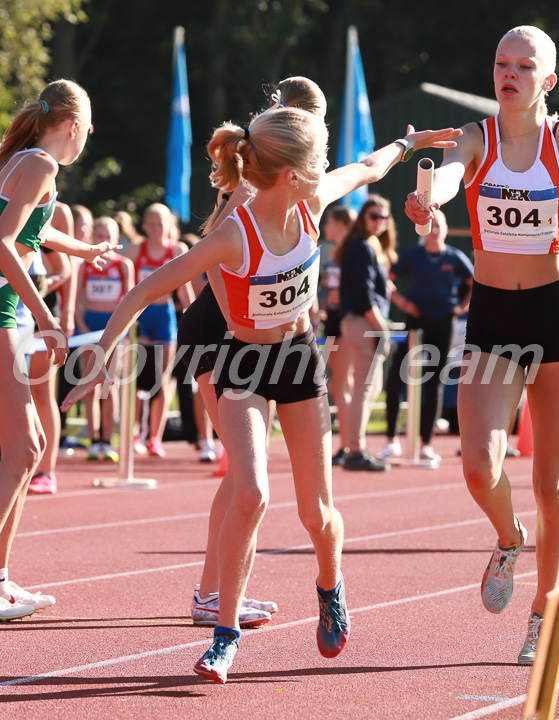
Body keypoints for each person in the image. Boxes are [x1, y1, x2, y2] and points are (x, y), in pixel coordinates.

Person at [62, 104, 459, 682]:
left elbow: (369, 168)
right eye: (319, 156)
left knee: (317, 513)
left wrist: (409, 143)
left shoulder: (313, 200)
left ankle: (330, 584)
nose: (327, 165)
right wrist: (101, 355)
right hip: (241, 363)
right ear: (292, 171)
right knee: (250, 492)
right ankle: (225, 633)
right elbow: (149, 287)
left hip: (298, 362)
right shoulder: (232, 236)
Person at [405, 25, 559, 665]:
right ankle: (509, 539)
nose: (508, 74)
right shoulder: (477, 137)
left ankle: (542, 609)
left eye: (523, 66)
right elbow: (453, 176)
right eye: (501, 64)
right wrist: (430, 201)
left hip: (554, 319)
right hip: (493, 319)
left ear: (548, 80)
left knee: (552, 482)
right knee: (478, 464)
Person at [181, 77, 328, 629]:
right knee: (243, 478)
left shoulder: (287, 188)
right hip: (220, 334)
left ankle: (214, 594)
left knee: (242, 476)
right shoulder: (255, 187)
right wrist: (236, 316)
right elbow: (213, 254)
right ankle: (210, 596)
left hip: (253, 336)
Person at [0, 79, 117, 620]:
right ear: (73, 127)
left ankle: (1, 577)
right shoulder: (40, 165)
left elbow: (33, 231)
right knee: (25, 449)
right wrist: (46, 316)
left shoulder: (27, 162)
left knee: (30, 444)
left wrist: (84, 247)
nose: (85, 140)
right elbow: (4, 244)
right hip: (4, 311)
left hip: (10, 312)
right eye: (88, 131)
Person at [379, 208, 473, 462]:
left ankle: (426, 444)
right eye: (431, 227)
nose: (435, 231)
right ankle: (390, 440)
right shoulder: (413, 256)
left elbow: (474, 283)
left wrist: (462, 307)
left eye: (439, 226)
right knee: (397, 376)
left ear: (445, 230)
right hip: (415, 320)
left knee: (434, 382)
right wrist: (401, 301)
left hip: (443, 322)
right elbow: (386, 278)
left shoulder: (454, 257)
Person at [333, 195, 398, 472]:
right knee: (364, 389)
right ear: (363, 218)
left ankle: (353, 447)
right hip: (364, 323)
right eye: (374, 216)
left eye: (384, 217)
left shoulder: (365, 246)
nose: (379, 222)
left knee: (365, 389)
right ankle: (355, 450)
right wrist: (380, 325)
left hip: (360, 322)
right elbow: (363, 293)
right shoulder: (361, 247)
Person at [125, 202, 194, 457]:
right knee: (135, 378)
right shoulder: (135, 250)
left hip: (165, 316)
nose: (156, 228)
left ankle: (155, 437)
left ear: (170, 226)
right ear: (144, 226)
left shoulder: (177, 249)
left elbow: (185, 288)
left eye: (160, 223)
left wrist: (193, 316)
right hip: (141, 316)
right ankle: (133, 434)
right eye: (151, 223)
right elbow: (126, 284)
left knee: (163, 379)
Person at [75, 216, 134, 461]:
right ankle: (94, 440)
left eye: (108, 236)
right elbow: (77, 301)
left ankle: (108, 441)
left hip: (114, 329)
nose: (104, 241)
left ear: (116, 238)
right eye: (99, 236)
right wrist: (82, 327)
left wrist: (121, 332)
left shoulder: (123, 265)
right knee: (89, 384)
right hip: (89, 327)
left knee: (110, 384)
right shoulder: (85, 265)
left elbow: (131, 301)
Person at [27, 202, 74, 494]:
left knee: (41, 391)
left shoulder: (45, 213)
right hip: (9, 315)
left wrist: (36, 292)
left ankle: (47, 470)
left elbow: (65, 268)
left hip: (40, 316)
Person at [319, 205, 356, 465]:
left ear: (340, 224)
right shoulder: (334, 253)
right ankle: (349, 441)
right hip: (332, 319)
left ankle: (348, 444)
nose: (324, 228)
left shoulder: (355, 251)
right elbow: (330, 287)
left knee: (341, 384)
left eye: (328, 223)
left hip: (346, 321)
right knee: (340, 384)